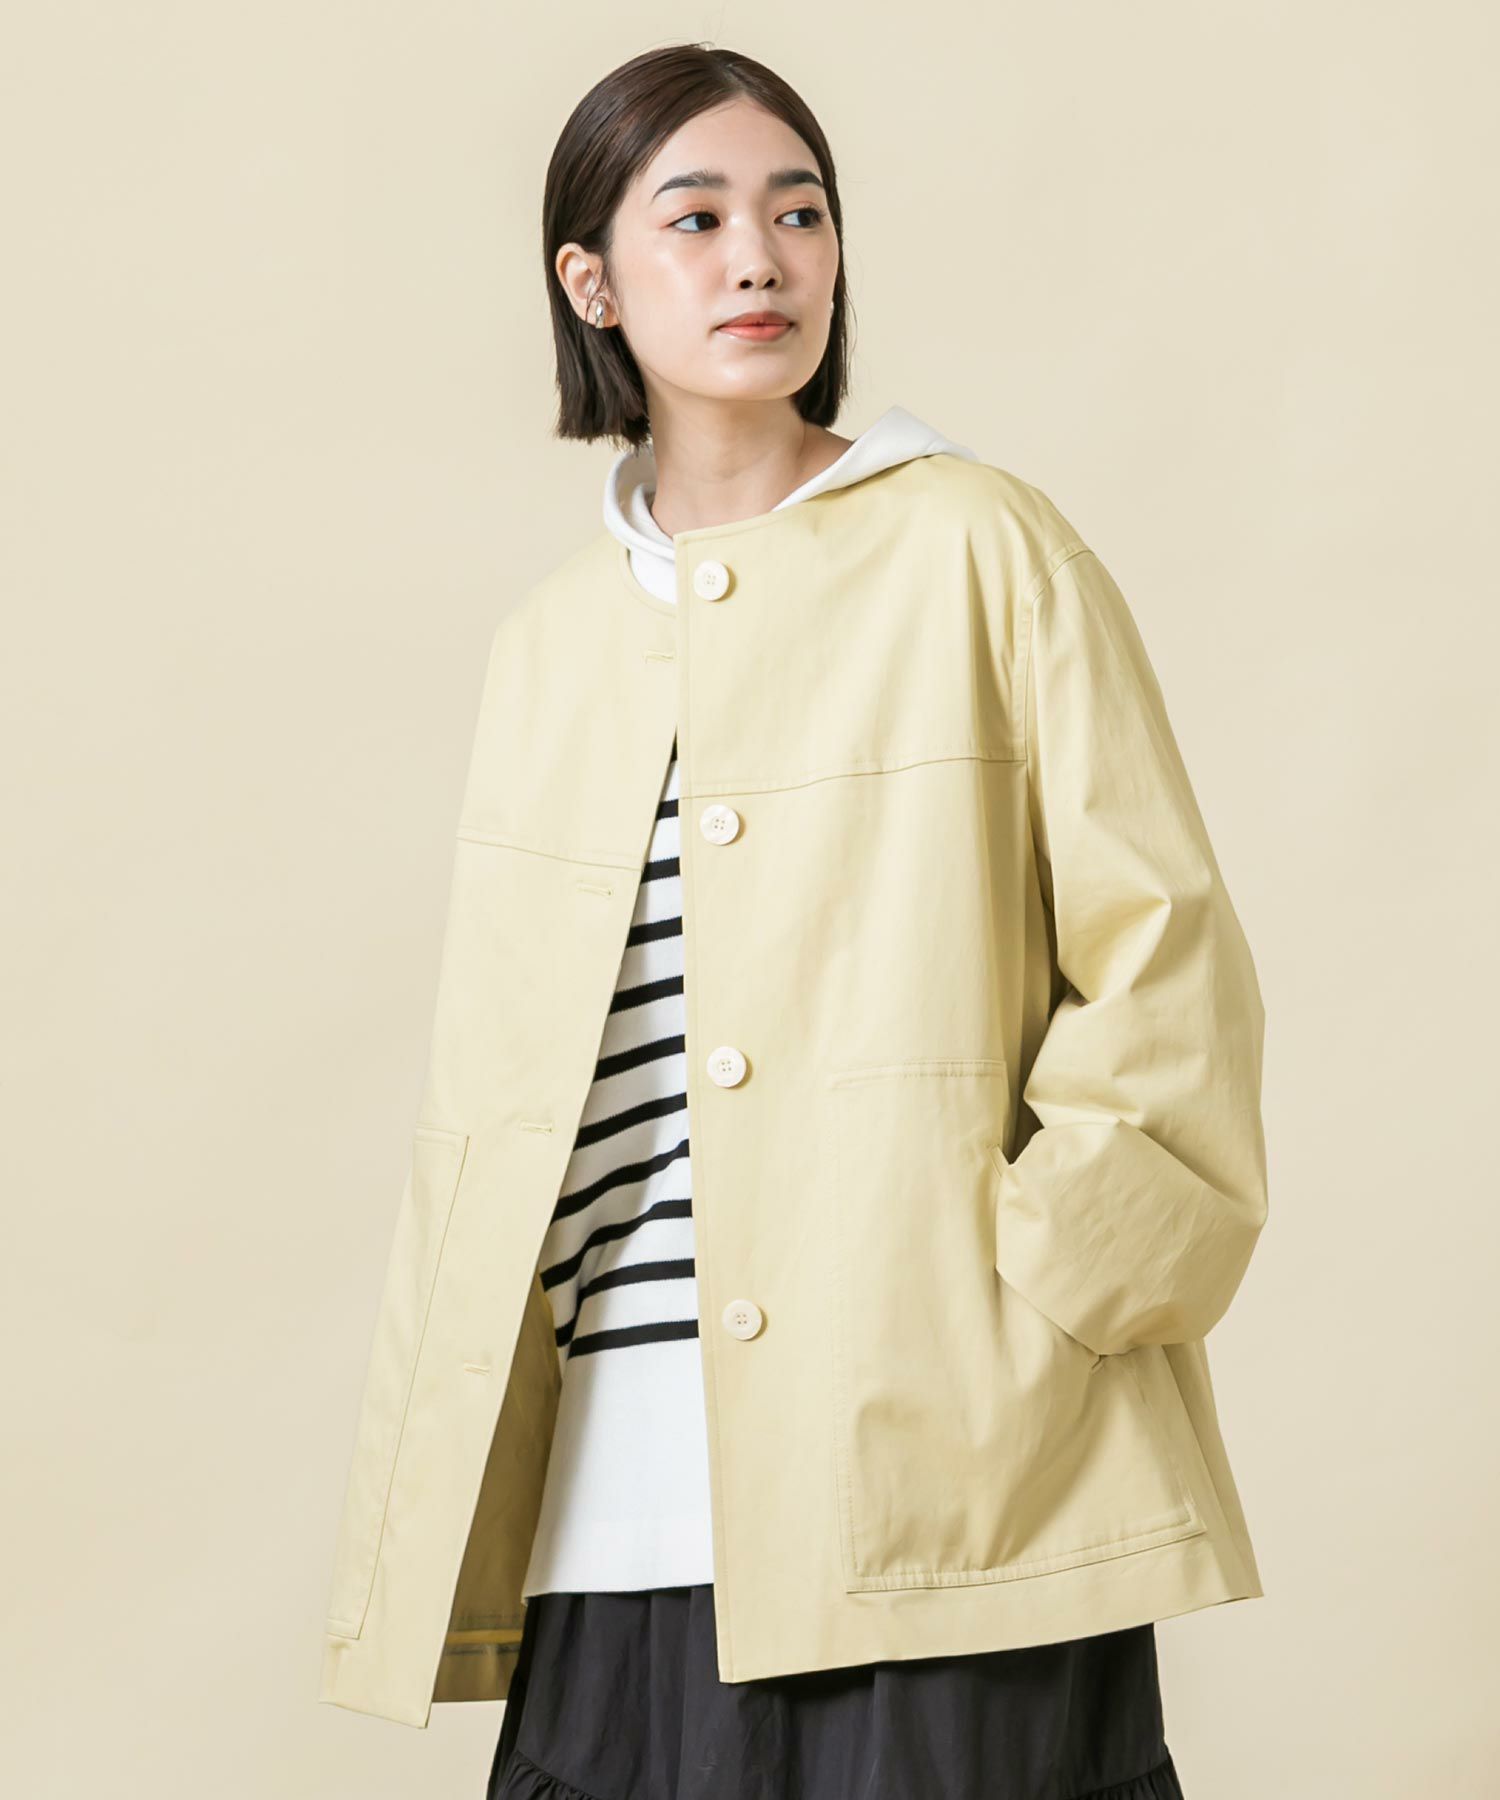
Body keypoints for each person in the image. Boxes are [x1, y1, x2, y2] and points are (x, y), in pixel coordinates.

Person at [464, 40, 1262, 1800]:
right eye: (696, 218)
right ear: (591, 283)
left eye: (799, 212)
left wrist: (1041, 1293)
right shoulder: (550, 648)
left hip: (944, 1466)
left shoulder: (983, 544)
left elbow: (1165, 959)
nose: (760, 258)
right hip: (614, 1506)